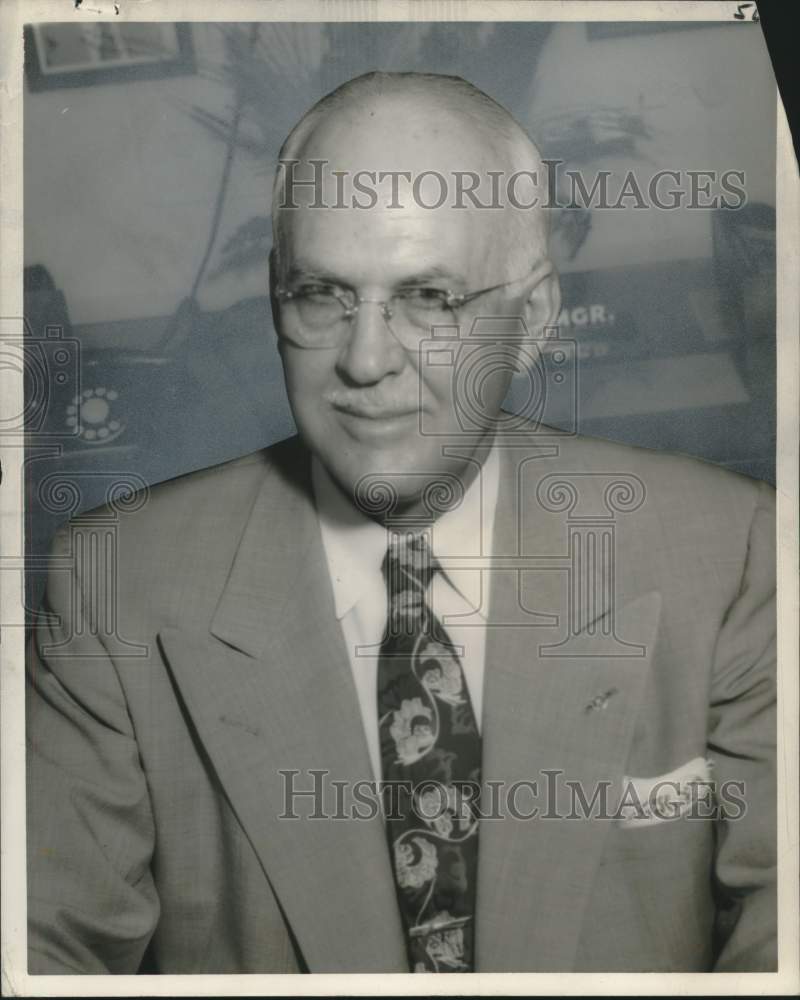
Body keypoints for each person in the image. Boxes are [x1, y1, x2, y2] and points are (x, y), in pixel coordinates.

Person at [26, 71, 776, 975]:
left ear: (532, 316)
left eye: (430, 298)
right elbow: (43, 948)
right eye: (322, 296)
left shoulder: (729, 552)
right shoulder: (113, 590)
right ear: (275, 301)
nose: (367, 359)